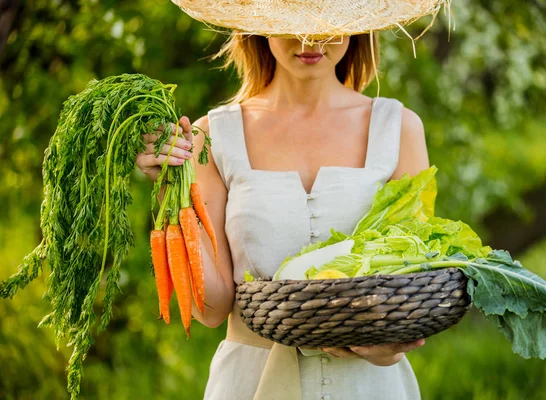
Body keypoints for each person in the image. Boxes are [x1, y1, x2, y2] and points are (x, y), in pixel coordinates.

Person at [136, 2, 446, 398]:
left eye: (327, 19)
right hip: (251, 385)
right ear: (258, 24)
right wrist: (170, 188)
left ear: (356, 22)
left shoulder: (398, 128)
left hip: (368, 384)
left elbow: (413, 283)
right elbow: (211, 309)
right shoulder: (212, 136)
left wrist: (387, 346)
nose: (309, 38)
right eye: (292, 21)